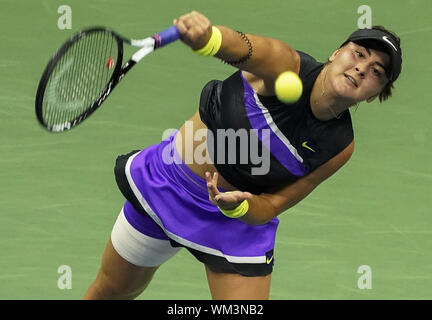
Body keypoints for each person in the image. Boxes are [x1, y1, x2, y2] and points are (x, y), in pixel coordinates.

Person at [83, 11, 402, 300]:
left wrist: (243, 207)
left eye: (376, 71)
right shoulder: (284, 65)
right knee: (110, 292)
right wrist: (209, 38)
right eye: (358, 54)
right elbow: (245, 48)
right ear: (336, 53)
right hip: (168, 185)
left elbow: (276, 203)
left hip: (234, 226)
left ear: (375, 94)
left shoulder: (339, 146)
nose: (361, 68)